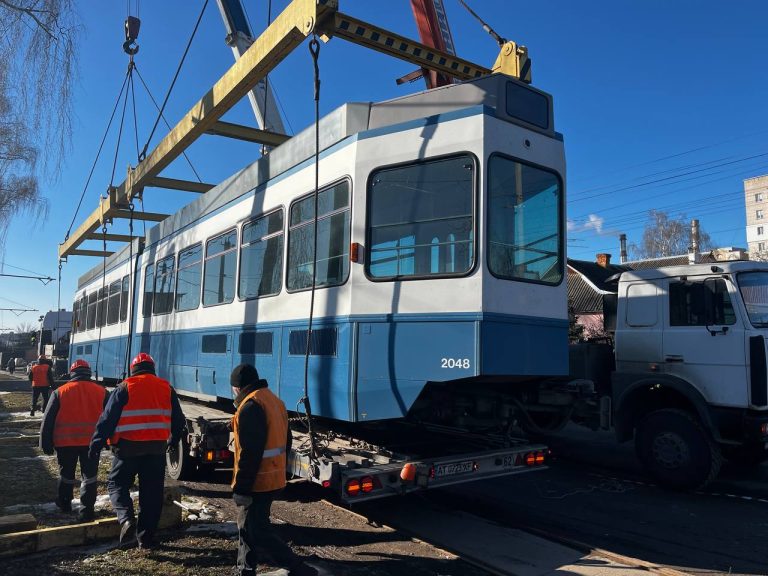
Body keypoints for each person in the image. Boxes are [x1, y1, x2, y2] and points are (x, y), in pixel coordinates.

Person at [230, 363, 320, 576]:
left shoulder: (251, 406)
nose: (233, 391)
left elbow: (249, 453)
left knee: (257, 531)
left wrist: (242, 488)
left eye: (233, 387)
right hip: (274, 478)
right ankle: (245, 569)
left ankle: (299, 568)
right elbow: (286, 442)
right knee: (248, 527)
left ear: (239, 387)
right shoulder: (274, 401)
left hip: (258, 482)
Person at [88, 352, 185, 549]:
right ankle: (146, 539)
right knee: (152, 494)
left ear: (133, 370)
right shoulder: (166, 388)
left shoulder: (125, 387)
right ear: (152, 369)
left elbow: (107, 420)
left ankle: (126, 520)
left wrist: (96, 444)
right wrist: (173, 440)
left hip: (127, 448)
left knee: (117, 484)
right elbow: (179, 420)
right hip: (157, 449)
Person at [39, 359, 107, 521]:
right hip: (92, 443)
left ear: (72, 373)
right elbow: (110, 418)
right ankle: (87, 509)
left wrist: (45, 443)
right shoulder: (102, 392)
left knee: (66, 474)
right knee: (89, 476)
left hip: (65, 443)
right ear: (88, 373)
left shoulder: (60, 392)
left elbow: (48, 420)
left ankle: (64, 503)